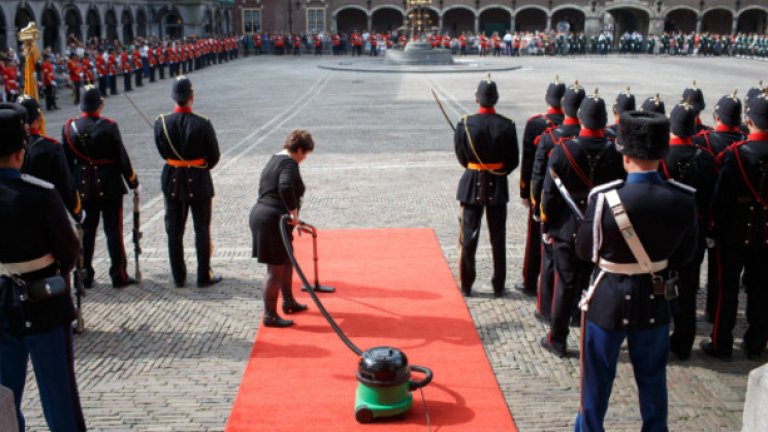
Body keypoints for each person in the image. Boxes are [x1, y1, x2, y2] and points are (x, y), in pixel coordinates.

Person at [575, 110, 697, 431]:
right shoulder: (683, 200)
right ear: (662, 154)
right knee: (653, 379)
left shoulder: (603, 199)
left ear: (625, 155)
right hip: (655, 300)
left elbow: (584, 251)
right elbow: (685, 256)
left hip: (607, 299)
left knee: (596, 383)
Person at [0, 102, 86, 431]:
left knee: (5, 394)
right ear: (21, 152)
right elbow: (69, 250)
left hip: (2, 300)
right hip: (44, 301)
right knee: (59, 394)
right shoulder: (41, 194)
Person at [539, 90, 625, 358]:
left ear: (580, 117)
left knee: (564, 285)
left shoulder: (563, 150)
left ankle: (558, 339)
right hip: (601, 228)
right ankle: (592, 338)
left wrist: (547, 228)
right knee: (595, 286)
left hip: (567, 229)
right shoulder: (615, 153)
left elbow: (549, 196)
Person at [702, 89, 768, 360]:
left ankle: (721, 342)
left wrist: (713, 225)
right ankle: (756, 343)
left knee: (726, 291)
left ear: (749, 121)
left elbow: (720, 198)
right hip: (765, 233)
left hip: (733, 232)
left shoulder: (736, 154)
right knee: (762, 291)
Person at [62, 85, 139, 288]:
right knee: (113, 231)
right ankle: (118, 274)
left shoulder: (69, 127)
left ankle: (85, 275)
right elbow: (121, 158)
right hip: (110, 186)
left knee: (86, 232)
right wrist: (133, 182)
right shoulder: (109, 126)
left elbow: (67, 164)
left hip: (84, 187)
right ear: (100, 104)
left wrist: (71, 190)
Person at [454, 74, 519, 297]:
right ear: (496, 99)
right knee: (498, 238)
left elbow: (462, 158)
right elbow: (512, 162)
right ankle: (498, 285)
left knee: (469, 237)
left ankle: (466, 284)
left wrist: (477, 166)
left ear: (476, 99)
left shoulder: (464, 124)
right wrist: (494, 169)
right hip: (498, 184)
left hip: (472, 183)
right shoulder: (507, 125)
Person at [661, 100, 717, 361]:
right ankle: (684, 342)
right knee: (689, 289)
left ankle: (660, 337)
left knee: (659, 288)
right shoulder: (705, 158)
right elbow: (710, 199)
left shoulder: (660, 157)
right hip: (693, 232)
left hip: (663, 233)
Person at [154, 76, 222, 288]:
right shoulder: (202, 123)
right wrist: (199, 166)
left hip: (173, 179)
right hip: (199, 179)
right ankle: (203, 275)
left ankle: (179, 277)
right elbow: (214, 156)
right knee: (201, 229)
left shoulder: (161, 122)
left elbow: (162, 152)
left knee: (174, 231)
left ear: (174, 98)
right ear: (192, 97)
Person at [250, 130, 315, 327]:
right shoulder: (289, 163)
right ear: (300, 149)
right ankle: (270, 315)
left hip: (265, 215)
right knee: (275, 269)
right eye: (305, 154)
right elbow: (285, 187)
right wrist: (294, 213)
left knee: (287, 260)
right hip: (272, 220)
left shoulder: (274, 159)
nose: (304, 158)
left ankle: (288, 301)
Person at [531, 81, 585, 321]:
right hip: (589, 213)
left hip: (560, 214)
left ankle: (546, 310)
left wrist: (539, 209)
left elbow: (539, 179)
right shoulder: (607, 141)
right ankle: (576, 310)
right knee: (583, 268)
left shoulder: (551, 137)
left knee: (552, 263)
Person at [517, 76, 566, 298]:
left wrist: (525, 192)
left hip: (542, 193)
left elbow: (528, 162)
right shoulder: (570, 124)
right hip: (567, 192)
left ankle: (529, 280)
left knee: (535, 239)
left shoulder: (535, 123)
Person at [18, 95, 82, 219]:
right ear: (37, 120)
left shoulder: (8, 146)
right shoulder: (51, 147)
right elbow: (65, 185)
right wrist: (77, 212)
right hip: (44, 215)